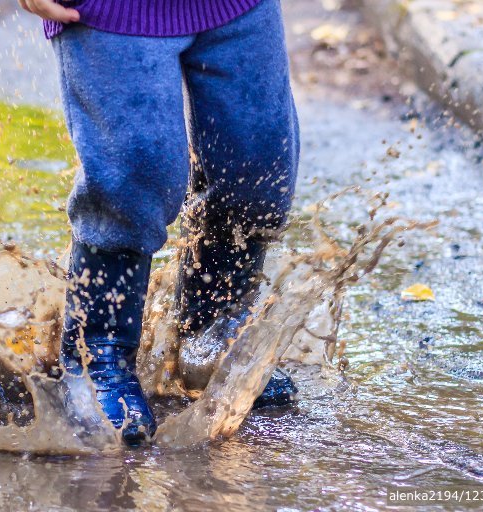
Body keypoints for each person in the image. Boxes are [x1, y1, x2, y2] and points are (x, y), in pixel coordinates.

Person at [20, 0, 300, 446]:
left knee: (257, 172)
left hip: (239, 9)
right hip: (110, 10)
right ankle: (97, 353)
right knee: (133, 170)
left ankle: (211, 333)